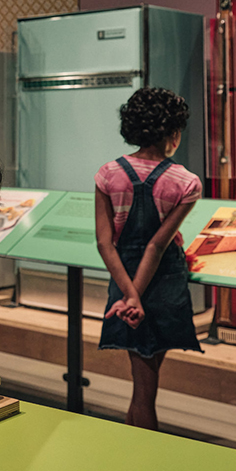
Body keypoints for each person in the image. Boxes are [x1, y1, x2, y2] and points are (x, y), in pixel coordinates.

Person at [94, 86, 203, 430]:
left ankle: (137, 444)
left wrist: (129, 294)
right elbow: (157, 246)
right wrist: (137, 296)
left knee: (142, 374)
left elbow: (104, 243)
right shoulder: (186, 183)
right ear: (173, 133)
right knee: (146, 381)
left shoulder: (108, 174)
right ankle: (144, 448)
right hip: (164, 281)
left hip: (124, 275)